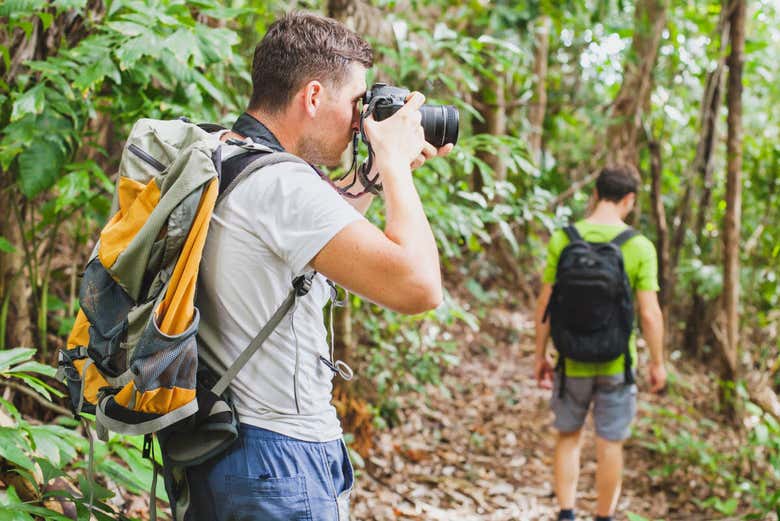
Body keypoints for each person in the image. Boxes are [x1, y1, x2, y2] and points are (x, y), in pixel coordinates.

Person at [166, 12, 452, 521]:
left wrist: (372, 180)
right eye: (356, 101)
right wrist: (393, 163)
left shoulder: (226, 154)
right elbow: (421, 288)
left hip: (223, 447)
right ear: (314, 97)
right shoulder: (282, 187)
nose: (362, 119)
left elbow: (319, 235)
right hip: (278, 460)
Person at [533, 166, 667, 521]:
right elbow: (650, 314)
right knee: (610, 443)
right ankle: (604, 517)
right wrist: (657, 362)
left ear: (595, 193)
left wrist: (540, 355)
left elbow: (544, 304)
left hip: (570, 358)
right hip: (616, 363)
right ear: (629, 200)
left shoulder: (564, 238)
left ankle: (566, 513)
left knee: (568, 436)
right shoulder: (639, 246)